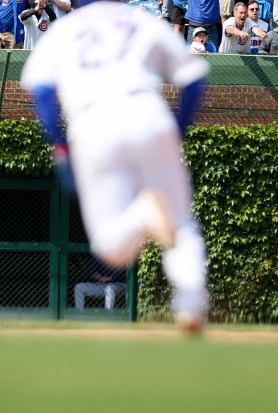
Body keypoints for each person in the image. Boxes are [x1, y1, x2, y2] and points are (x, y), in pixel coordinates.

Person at [21, 0, 210, 332]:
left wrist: (59, 145)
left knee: (111, 246)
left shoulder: (65, 29)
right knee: (181, 222)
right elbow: (193, 78)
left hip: (92, 125)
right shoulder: (142, 20)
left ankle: (142, 216)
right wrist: (177, 129)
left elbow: (42, 90)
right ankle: (191, 303)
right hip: (148, 111)